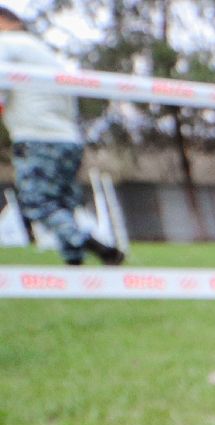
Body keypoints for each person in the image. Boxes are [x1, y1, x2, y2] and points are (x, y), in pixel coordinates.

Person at [0, 5, 124, 266]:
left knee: (37, 203)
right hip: (68, 139)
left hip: (36, 137)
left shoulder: (6, 43)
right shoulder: (40, 50)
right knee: (62, 206)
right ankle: (74, 264)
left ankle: (94, 245)